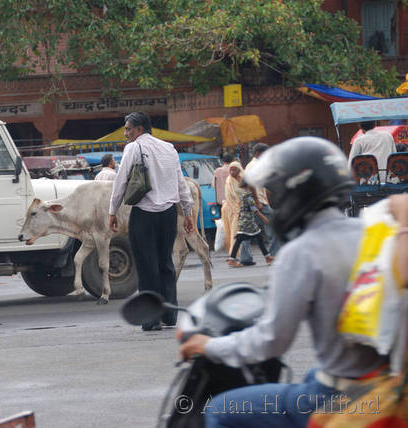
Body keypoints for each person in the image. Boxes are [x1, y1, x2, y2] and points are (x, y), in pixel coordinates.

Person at [179, 137, 388, 428]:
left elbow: (271, 341)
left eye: (275, 191)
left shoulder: (301, 252)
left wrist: (209, 346)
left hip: (335, 394)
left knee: (219, 410)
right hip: (383, 384)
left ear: (296, 193)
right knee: (313, 372)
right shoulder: (373, 233)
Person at [108, 112, 194, 331]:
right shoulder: (169, 148)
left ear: (139, 129)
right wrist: (188, 211)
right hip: (168, 214)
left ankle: (151, 318)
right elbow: (180, 180)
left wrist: (112, 210)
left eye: (128, 129)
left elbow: (121, 182)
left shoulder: (133, 148)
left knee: (147, 267)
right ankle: (170, 315)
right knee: (165, 263)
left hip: (144, 213)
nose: (126, 133)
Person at [227, 182, 273, 267]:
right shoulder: (248, 197)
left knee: (255, 238)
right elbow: (254, 210)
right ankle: (232, 259)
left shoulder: (245, 195)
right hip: (247, 222)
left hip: (246, 221)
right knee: (243, 239)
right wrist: (264, 218)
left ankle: (267, 257)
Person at [246, 143, 280, 256]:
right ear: (258, 153)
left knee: (247, 231)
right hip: (258, 202)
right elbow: (251, 185)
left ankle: (245, 257)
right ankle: (273, 254)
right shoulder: (254, 166)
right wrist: (257, 201)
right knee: (273, 225)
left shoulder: (255, 165)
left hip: (256, 201)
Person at [220, 161, 254, 265]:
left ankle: (241, 257)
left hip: (243, 210)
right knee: (232, 232)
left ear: (239, 170)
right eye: (230, 169)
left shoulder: (245, 179)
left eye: (234, 169)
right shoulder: (229, 181)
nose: (232, 171)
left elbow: (250, 193)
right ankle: (233, 257)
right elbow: (230, 197)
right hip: (231, 209)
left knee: (243, 234)